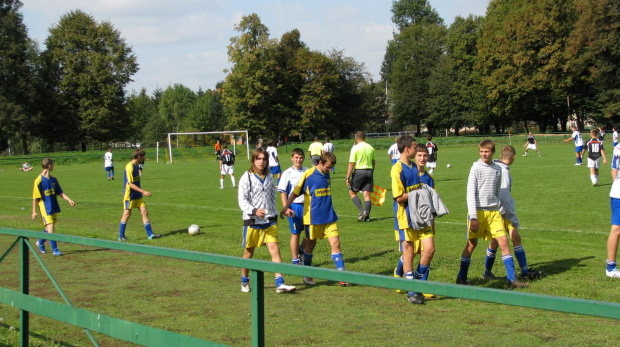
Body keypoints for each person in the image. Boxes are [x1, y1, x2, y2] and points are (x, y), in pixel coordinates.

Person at [456, 139, 528, 288]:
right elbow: (470, 193)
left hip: (494, 212)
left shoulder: (498, 169)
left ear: (493, 152)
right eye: (481, 152)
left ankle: (512, 279)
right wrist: (473, 217)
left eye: (486, 152)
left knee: (503, 242)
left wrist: (497, 209)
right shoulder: (475, 168)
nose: (484, 154)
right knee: (471, 244)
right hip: (478, 212)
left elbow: (496, 192)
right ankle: (461, 277)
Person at [280, 152, 350, 287]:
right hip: (313, 219)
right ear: (321, 163)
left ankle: (342, 276)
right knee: (310, 245)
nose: (330, 170)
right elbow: (295, 192)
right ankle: (307, 274)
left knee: (336, 244)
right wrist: (286, 207)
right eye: (328, 167)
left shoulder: (326, 173)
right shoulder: (309, 175)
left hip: (329, 217)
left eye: (331, 168)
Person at [238, 148, 295, 294]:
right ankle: (244, 280)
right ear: (254, 160)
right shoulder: (247, 177)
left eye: (264, 159)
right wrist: (254, 210)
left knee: (275, 249)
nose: (261, 161)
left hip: (269, 221)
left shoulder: (269, 176)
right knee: (248, 253)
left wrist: (278, 213)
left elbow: (271, 199)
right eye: (259, 159)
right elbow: (242, 200)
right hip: (252, 221)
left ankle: (280, 283)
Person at [482, 145, 542, 281]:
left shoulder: (496, 166)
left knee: (506, 240)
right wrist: (511, 215)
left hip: (497, 210)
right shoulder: (503, 171)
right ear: (513, 157)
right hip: (502, 212)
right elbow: (503, 196)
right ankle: (516, 273)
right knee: (503, 241)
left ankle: (490, 271)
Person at [391, 139, 435, 304]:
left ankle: (415, 280)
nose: (417, 152)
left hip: (421, 216)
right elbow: (398, 197)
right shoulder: (397, 169)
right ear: (407, 149)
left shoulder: (414, 168)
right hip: (405, 217)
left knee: (429, 249)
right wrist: (418, 194)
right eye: (415, 148)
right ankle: (412, 292)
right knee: (408, 253)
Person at [32, 158, 75, 256]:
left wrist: (69, 200)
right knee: (50, 226)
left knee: (49, 228)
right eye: (53, 164)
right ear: (49, 165)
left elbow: (60, 192)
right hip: (45, 207)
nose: (54, 166)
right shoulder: (38, 180)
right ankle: (55, 250)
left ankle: (40, 242)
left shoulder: (53, 180)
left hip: (53, 206)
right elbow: (35, 197)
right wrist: (34, 212)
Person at [118, 148, 161, 241]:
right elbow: (130, 184)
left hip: (138, 195)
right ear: (138, 157)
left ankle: (150, 234)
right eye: (143, 157)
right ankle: (121, 236)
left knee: (144, 212)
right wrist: (143, 191)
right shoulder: (129, 167)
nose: (143, 159)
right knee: (127, 214)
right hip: (129, 195)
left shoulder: (136, 165)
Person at [277, 148, 309, 267]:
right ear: (292, 158)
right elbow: (283, 192)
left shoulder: (308, 171)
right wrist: (286, 207)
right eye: (296, 157)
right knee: (295, 234)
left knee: (310, 234)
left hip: (307, 206)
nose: (298, 160)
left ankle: (300, 250)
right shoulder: (287, 173)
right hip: (294, 207)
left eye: (300, 158)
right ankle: (295, 260)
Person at [346, 131, 376, 222]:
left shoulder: (355, 148)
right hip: (369, 170)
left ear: (356, 137)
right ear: (364, 138)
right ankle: (367, 217)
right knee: (366, 194)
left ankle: (363, 212)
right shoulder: (371, 147)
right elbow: (373, 161)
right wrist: (371, 172)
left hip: (360, 171)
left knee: (352, 192)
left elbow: (351, 163)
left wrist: (347, 177)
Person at [607, 147, 620, 278]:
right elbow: (614, 170)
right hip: (618, 195)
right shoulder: (618, 148)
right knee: (617, 229)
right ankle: (611, 267)